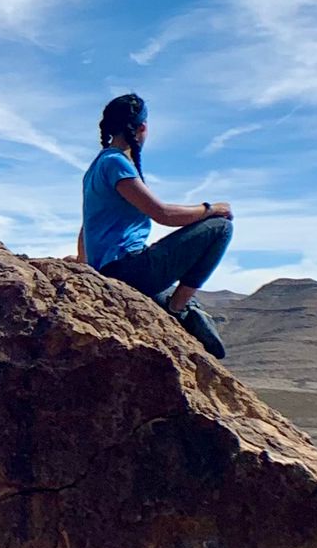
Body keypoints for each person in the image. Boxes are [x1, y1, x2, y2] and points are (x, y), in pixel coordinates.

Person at [73, 93, 231, 358]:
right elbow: (162, 214)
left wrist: (84, 264)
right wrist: (211, 209)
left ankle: (183, 311)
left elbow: (87, 224)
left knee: (189, 308)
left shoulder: (98, 166)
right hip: (128, 270)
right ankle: (177, 308)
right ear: (142, 127)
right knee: (220, 227)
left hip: (112, 270)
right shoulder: (116, 163)